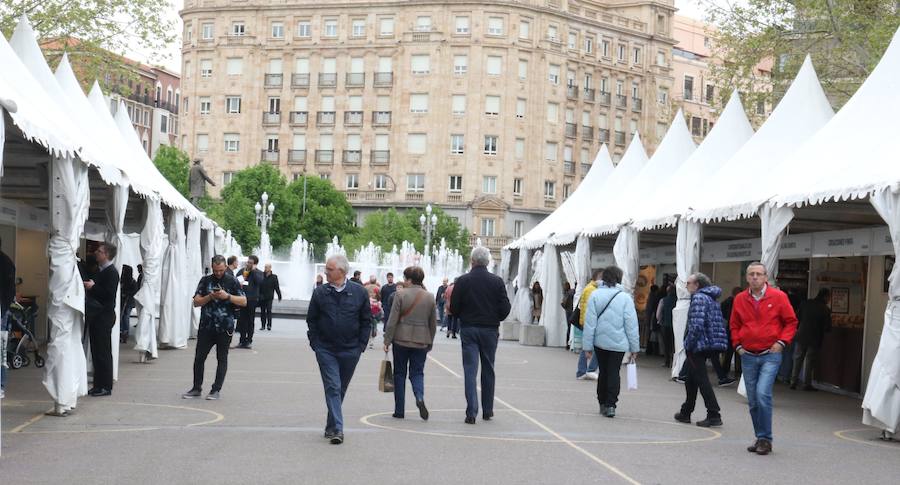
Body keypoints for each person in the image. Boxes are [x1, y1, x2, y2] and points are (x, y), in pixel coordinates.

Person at [730, 261, 798, 456]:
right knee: (752, 400)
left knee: (762, 394)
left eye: (759, 274)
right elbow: (734, 324)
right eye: (751, 274)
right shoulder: (740, 299)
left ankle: (766, 439)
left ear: (765, 277)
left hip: (770, 353)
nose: (755, 277)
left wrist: (782, 342)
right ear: (746, 277)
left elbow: (791, 322)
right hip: (748, 354)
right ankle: (760, 436)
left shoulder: (778, 297)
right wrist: (738, 345)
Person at [307, 254, 372, 445]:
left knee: (340, 389)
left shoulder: (359, 292)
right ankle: (337, 429)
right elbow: (312, 319)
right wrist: (315, 343)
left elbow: (366, 320)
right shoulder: (320, 292)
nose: (325, 272)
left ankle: (330, 424)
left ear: (341, 272)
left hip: (351, 350)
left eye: (329, 269)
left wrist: (361, 345)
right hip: (326, 349)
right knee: (333, 387)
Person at [450, 247, 511, 424]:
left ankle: (471, 411)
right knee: (488, 369)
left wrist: (464, 316)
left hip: (469, 329)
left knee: (470, 370)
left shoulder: (462, 281)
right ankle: (488, 409)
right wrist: (495, 317)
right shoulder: (497, 281)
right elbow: (506, 308)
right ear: (488, 262)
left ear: (472, 261)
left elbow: (454, 307)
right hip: (490, 330)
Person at [182, 255, 246, 400]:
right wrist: (210, 297)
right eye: (216, 270)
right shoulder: (205, 281)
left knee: (222, 358)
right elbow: (196, 302)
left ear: (225, 267)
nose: (218, 273)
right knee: (199, 358)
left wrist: (227, 296)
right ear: (212, 267)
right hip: (206, 326)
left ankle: (216, 390)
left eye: (221, 270)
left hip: (225, 327)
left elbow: (243, 301)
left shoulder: (232, 280)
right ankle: (196, 388)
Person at [583, 266, 639, 418]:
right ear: (619, 278)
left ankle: (602, 402)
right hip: (619, 344)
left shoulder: (595, 295)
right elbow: (631, 324)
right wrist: (635, 347)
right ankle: (611, 405)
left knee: (603, 372)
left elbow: (589, 323)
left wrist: (587, 346)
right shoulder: (625, 298)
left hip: (600, 342)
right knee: (614, 372)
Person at [674, 273, 729, 427]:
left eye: (689, 283)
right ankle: (686, 411)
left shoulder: (698, 298)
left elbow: (696, 325)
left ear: (697, 284)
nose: (687, 286)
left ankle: (714, 413)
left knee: (701, 379)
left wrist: (688, 344)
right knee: (691, 378)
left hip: (699, 344)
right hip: (709, 343)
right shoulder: (711, 298)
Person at [384, 267, 437, 420]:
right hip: (421, 341)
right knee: (417, 373)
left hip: (401, 339)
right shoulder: (429, 297)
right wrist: (430, 341)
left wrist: (387, 340)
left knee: (399, 374)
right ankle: (419, 397)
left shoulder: (400, 295)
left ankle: (399, 410)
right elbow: (432, 323)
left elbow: (392, 321)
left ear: (408, 280)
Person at [84, 243, 120, 397]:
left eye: (99, 251)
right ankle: (98, 384)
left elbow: (109, 295)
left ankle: (105, 385)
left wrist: (93, 287)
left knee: (103, 352)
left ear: (106, 255)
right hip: (97, 316)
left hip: (103, 316)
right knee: (96, 351)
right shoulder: (101, 271)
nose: (96, 253)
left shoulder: (111, 272)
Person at [791, 288, 832, 391]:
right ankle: (807, 384)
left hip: (801, 335)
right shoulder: (825, 309)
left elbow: (797, 318)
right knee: (810, 361)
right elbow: (827, 327)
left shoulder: (805, 304)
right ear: (826, 297)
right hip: (815, 337)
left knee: (798, 359)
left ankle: (793, 381)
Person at [575, 271, 601, 380]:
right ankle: (585, 370)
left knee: (590, 347)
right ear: (596, 278)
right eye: (601, 277)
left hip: (589, 322)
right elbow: (591, 308)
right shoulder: (592, 290)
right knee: (593, 347)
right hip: (590, 323)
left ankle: (585, 370)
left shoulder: (591, 288)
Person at [236, 255, 264, 349]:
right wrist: (240, 280)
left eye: (251, 263)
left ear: (255, 264)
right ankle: (242, 340)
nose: (248, 264)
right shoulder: (242, 271)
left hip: (252, 299)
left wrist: (253, 271)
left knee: (250, 320)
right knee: (242, 320)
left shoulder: (258, 272)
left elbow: (260, 282)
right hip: (242, 298)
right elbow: (237, 279)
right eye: (248, 262)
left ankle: (249, 340)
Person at [0, 238, 15, 397]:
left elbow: (9, 290)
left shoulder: (5, 263)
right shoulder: (7, 262)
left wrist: (3, 308)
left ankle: (1, 384)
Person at [720, 286, 743, 381]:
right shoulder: (741, 303)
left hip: (729, 330)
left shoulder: (727, 302)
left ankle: (725, 372)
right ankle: (738, 372)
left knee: (728, 354)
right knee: (738, 354)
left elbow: (722, 312)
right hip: (738, 331)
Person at [258, 263, 282, 331]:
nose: (265, 269)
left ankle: (269, 325)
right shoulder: (261, 275)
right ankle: (263, 325)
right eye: (265, 267)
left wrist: (279, 295)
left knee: (269, 310)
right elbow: (259, 286)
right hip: (262, 296)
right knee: (262, 311)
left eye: (267, 267)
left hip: (269, 297)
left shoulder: (274, 277)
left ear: (270, 268)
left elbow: (276, 287)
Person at [119, 265, 139, 344]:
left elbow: (134, 291)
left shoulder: (132, 281)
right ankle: (123, 331)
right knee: (123, 316)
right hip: (125, 301)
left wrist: (126, 294)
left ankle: (125, 332)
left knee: (125, 316)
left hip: (128, 301)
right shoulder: (124, 280)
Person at [658, 285, 677, 368]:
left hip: (665, 324)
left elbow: (658, 313)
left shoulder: (663, 300)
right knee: (674, 343)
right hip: (675, 325)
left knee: (666, 344)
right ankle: (675, 362)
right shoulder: (678, 301)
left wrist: (659, 320)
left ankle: (667, 361)